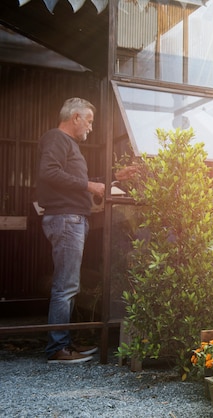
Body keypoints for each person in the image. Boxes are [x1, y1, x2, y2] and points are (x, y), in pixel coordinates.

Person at [37, 97, 104, 364]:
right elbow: (49, 172)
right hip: (66, 219)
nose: (90, 127)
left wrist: (104, 181)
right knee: (65, 286)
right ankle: (57, 348)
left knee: (69, 285)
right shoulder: (56, 138)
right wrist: (90, 186)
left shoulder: (68, 144)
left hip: (71, 219)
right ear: (75, 117)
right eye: (88, 120)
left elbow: (71, 180)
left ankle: (64, 342)